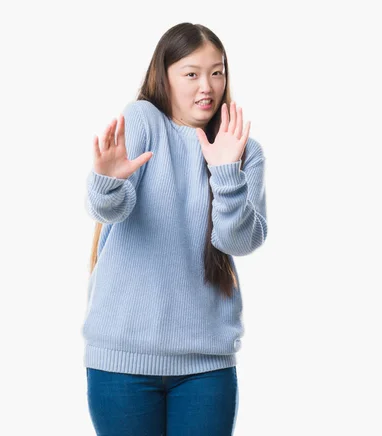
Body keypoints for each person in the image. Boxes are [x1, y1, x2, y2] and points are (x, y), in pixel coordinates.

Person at [82, 22, 267, 435]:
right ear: (163, 75)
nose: (207, 86)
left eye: (217, 72)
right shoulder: (144, 119)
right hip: (122, 363)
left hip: (206, 366)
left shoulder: (242, 149)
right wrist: (108, 182)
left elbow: (239, 240)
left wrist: (224, 171)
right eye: (191, 73)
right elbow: (110, 208)